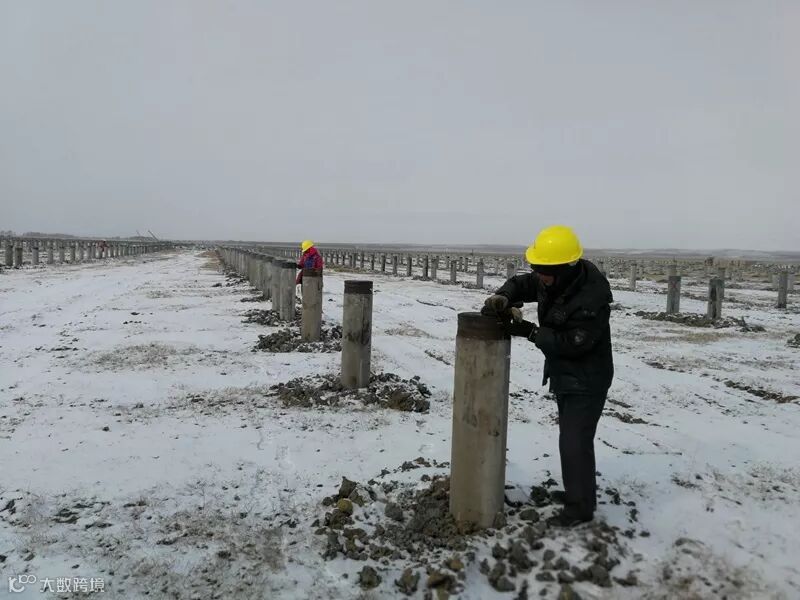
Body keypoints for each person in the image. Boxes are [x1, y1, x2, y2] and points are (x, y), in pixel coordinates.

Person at [482, 225, 613, 527]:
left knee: (574, 442)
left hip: (587, 379)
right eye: (538, 270)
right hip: (567, 375)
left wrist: (530, 331)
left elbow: (573, 343)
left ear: (565, 269)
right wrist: (504, 296)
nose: (540, 277)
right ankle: (578, 493)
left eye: (545, 273)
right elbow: (522, 283)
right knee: (572, 439)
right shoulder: (554, 278)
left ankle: (580, 509)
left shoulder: (591, 299)